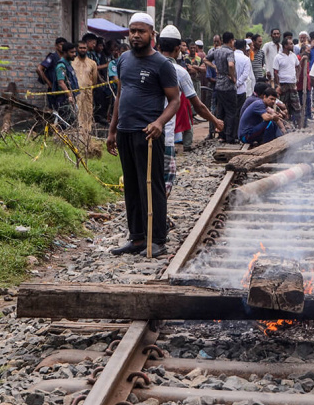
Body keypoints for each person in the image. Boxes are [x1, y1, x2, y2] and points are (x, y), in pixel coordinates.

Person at [106, 13, 181, 258]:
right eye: (132, 31)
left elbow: (174, 100)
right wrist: (112, 130)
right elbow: (120, 94)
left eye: (141, 31)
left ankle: (157, 239)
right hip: (125, 132)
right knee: (132, 186)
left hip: (148, 135)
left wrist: (159, 122)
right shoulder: (124, 60)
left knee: (152, 186)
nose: (136, 35)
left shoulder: (162, 64)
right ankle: (137, 238)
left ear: (152, 34)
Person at [158, 26, 224, 191]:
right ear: (178, 49)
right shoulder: (179, 72)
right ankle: (157, 215)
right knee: (165, 183)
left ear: (159, 47)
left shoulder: (146, 67)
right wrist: (215, 120)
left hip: (142, 134)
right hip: (165, 136)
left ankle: (146, 215)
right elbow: (199, 106)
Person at [205, 32, 238, 143]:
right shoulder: (229, 52)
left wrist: (215, 67)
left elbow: (205, 59)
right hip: (228, 85)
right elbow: (231, 65)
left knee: (221, 111)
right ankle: (230, 137)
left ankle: (221, 135)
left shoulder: (217, 51)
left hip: (219, 84)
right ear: (231, 40)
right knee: (231, 112)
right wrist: (232, 76)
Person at [273, 38, 302, 126]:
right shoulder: (278, 57)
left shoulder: (293, 56)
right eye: (290, 44)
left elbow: (298, 66)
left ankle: (299, 127)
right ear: (285, 46)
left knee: (296, 105)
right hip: (283, 84)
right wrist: (278, 85)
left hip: (292, 84)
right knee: (283, 105)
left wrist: (297, 77)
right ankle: (284, 126)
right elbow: (275, 72)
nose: (292, 45)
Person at [72, 40, 99, 134]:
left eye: (84, 48)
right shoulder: (72, 62)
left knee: (87, 111)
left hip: (87, 92)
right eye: (80, 48)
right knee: (76, 110)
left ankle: (87, 132)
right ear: (77, 49)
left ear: (87, 49)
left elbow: (94, 80)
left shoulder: (92, 63)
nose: (83, 50)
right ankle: (76, 130)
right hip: (75, 92)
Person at [53, 41, 79, 127]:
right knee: (65, 123)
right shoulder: (61, 65)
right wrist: (69, 95)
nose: (74, 54)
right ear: (65, 52)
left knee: (72, 121)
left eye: (75, 52)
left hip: (69, 97)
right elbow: (61, 82)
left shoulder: (68, 64)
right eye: (72, 52)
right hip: (63, 99)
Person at [38, 37, 67, 109]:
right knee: (53, 109)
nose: (62, 46)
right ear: (56, 46)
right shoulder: (52, 57)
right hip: (54, 89)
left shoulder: (65, 58)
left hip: (63, 88)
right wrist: (48, 83)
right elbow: (39, 69)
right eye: (61, 44)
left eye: (64, 45)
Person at [234, 38, 252, 134]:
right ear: (245, 47)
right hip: (241, 90)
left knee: (230, 112)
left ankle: (228, 134)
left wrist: (233, 84)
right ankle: (238, 133)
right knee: (239, 112)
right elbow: (245, 75)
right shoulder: (246, 59)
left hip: (230, 89)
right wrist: (238, 83)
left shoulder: (230, 56)